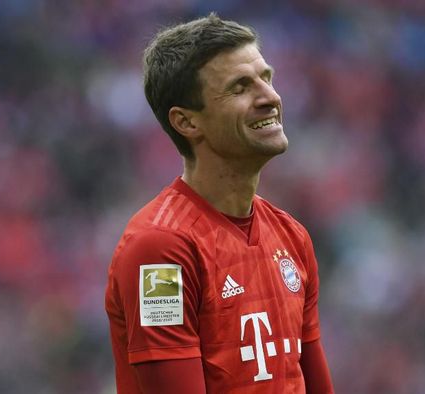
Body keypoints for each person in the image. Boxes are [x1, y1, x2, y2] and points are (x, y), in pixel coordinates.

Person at [104, 13, 334, 393]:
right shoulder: (159, 252)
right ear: (187, 122)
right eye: (241, 87)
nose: (270, 97)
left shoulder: (292, 238)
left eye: (267, 78)